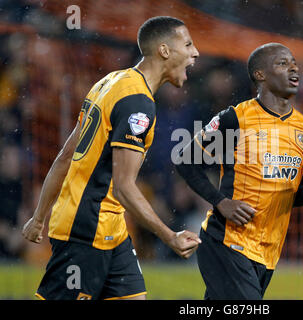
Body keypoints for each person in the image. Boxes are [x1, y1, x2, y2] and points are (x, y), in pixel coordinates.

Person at [22, 16, 201, 300]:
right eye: (188, 44)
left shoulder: (110, 81)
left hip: (112, 229)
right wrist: (170, 236)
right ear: (165, 51)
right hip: (85, 231)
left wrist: (39, 217)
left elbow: (66, 155)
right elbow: (124, 186)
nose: (196, 53)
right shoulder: (138, 104)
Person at [175, 43, 303, 299]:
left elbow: (290, 195)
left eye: (294, 63)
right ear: (260, 75)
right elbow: (185, 160)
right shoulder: (236, 119)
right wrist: (221, 202)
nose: (293, 68)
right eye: (282, 63)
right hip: (227, 240)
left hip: (268, 251)